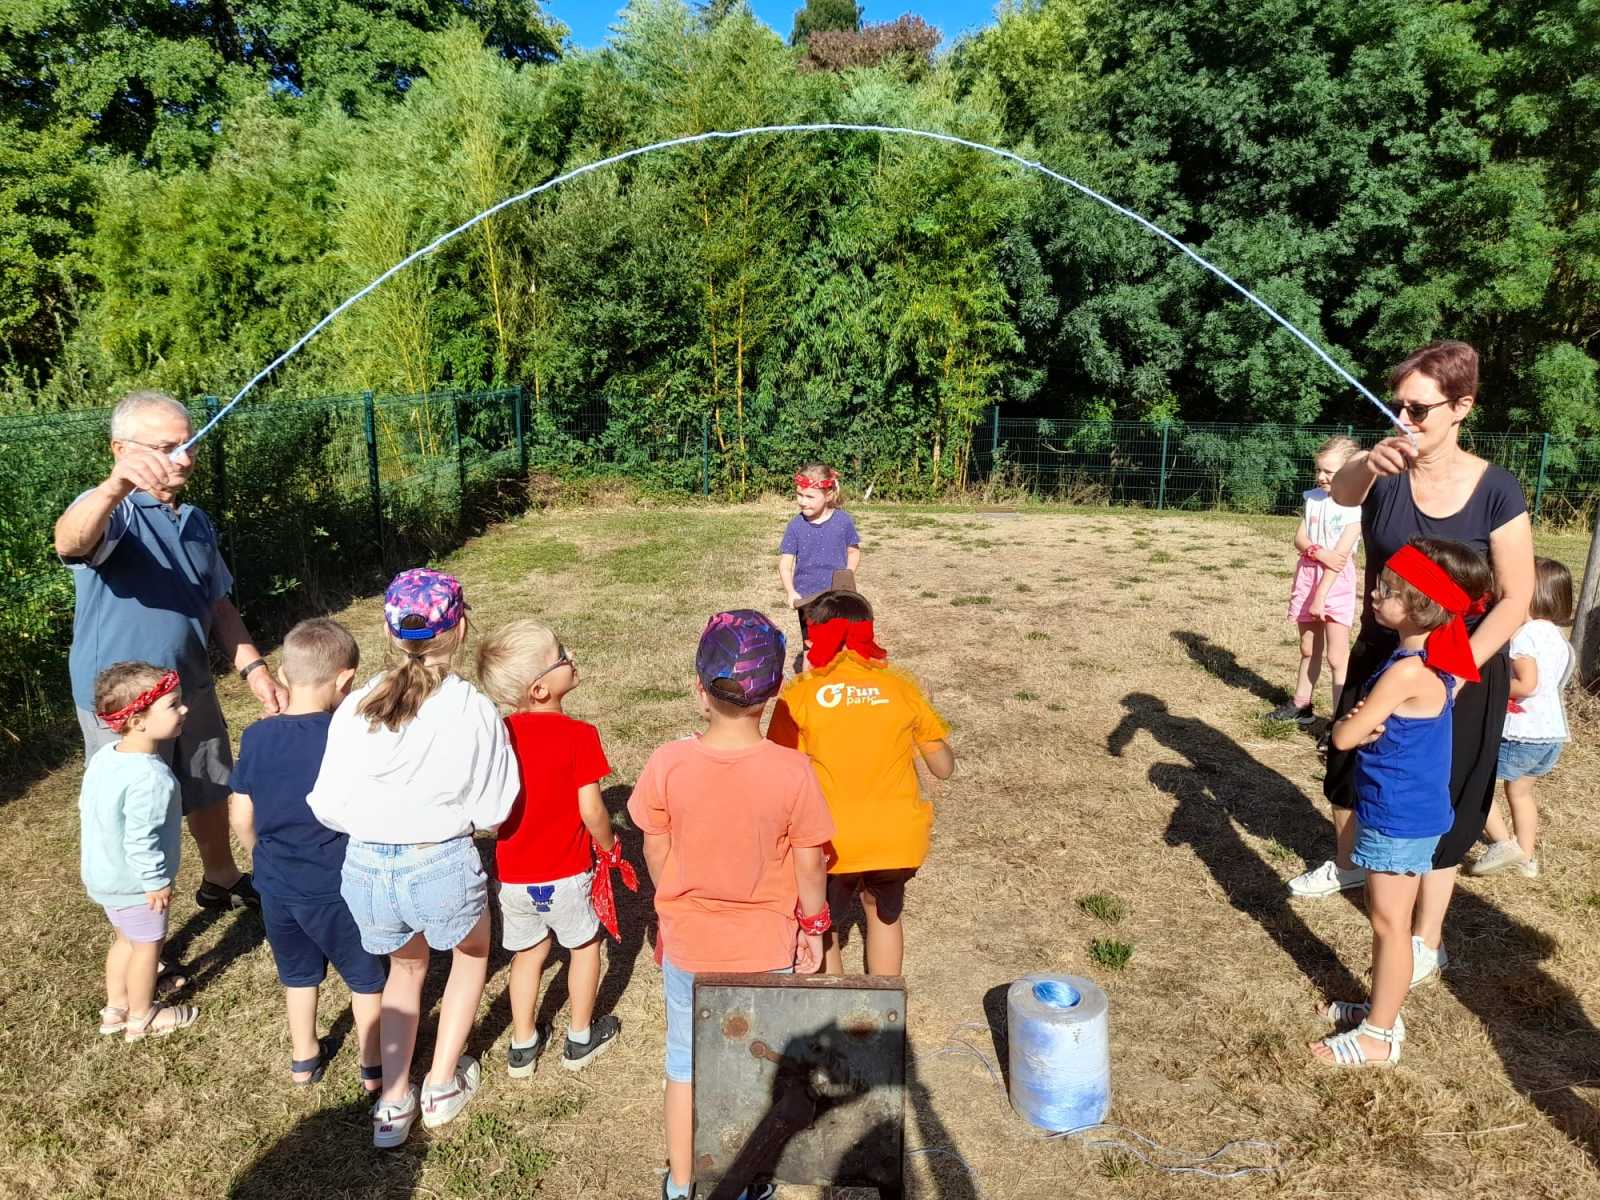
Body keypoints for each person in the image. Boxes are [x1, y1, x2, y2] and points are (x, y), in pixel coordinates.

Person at [1288, 341, 1535, 992]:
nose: (1404, 419)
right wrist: (1367, 461)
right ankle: (1352, 865)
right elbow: (1343, 494)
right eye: (1397, 405)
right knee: (1351, 770)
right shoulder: (1386, 471)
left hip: (1462, 668)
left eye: (1419, 409)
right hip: (1384, 653)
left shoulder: (1496, 489)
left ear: (1461, 407)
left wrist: (1451, 675)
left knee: (1444, 797)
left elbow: (1516, 598)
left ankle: (1428, 939)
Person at [307, 569, 519, 1148]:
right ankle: (442, 1084)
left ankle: (393, 1101)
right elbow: (494, 809)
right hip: (439, 860)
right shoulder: (473, 708)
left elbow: (328, 804)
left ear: (388, 631)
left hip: (366, 868)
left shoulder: (356, 705)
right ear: (461, 628)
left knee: (405, 970)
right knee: (472, 955)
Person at [54, 389, 286, 914]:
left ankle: (221, 878)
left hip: (188, 685)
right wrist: (115, 486)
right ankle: (137, 925)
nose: (183, 458)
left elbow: (219, 606)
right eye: (165, 448)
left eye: (189, 444)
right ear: (121, 450)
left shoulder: (196, 520)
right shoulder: (114, 511)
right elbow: (70, 542)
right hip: (124, 703)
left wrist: (254, 669)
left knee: (208, 782)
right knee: (136, 804)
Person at [628, 611, 834, 1200]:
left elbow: (655, 845)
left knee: (684, 1064)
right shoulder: (794, 772)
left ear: (700, 689)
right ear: (774, 692)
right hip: (765, 950)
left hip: (689, 946)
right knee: (749, 1068)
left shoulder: (667, 763)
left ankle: (681, 1184)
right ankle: (737, 1184)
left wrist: (671, 906)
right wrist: (814, 926)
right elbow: (810, 862)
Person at [1311, 539, 1490, 1067]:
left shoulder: (1407, 671)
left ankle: (1379, 1037)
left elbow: (1343, 737)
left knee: (1391, 927)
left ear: (1422, 607)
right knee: (1387, 921)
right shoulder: (1431, 659)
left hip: (1399, 816)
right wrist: (1370, 719)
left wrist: (1355, 723)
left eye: (1388, 590)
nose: (1374, 593)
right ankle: (1379, 1007)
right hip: (1405, 810)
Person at [227, 618, 385, 1089]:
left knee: (297, 974)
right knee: (366, 977)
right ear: (345, 679)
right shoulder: (346, 737)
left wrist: (260, 856)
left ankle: (304, 1056)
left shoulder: (256, 737)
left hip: (277, 886)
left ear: (282, 673)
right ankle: (373, 1065)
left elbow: (241, 814)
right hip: (337, 885)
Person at [768, 588, 955, 975]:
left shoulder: (799, 696)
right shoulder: (902, 687)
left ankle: (835, 1004)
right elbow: (943, 768)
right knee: (883, 914)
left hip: (830, 840)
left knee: (824, 924)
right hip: (897, 837)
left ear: (814, 639)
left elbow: (777, 768)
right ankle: (884, 1006)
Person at [475, 619, 622, 1077]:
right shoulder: (579, 735)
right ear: (540, 689)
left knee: (528, 954)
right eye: (561, 655)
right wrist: (610, 845)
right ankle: (580, 1037)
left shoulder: (499, 736)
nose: (570, 656)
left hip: (514, 879)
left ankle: (522, 1044)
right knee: (584, 946)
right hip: (568, 873)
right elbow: (592, 810)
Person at [80, 661, 201, 1042]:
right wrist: (155, 881)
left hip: (106, 876)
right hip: (137, 886)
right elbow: (140, 839)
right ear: (137, 721)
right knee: (148, 950)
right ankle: (142, 1015)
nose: (184, 709)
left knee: (125, 942)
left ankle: (115, 1009)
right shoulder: (150, 777)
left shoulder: (106, 756)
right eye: (172, 705)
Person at [1468, 557, 1577, 880]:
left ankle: (1503, 843)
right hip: (1550, 733)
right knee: (1521, 793)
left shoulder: (1525, 636)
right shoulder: (1558, 637)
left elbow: (1527, 685)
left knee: (1476, 784)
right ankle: (1527, 859)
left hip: (1521, 732)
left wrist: (1489, 686)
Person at [1267, 436, 1363, 732]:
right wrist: (1317, 552)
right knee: (1308, 648)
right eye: (1319, 470)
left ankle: (1339, 720)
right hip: (1308, 575)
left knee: (1337, 656)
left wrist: (1321, 596)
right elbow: (1300, 538)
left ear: (1348, 472)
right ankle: (1302, 704)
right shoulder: (1313, 499)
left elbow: (1339, 559)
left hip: (1334, 584)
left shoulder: (1355, 507)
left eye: (1329, 472)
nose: (1321, 476)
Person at [778, 462, 861, 667]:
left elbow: (853, 552)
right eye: (799, 495)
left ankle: (837, 683)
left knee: (840, 647)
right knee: (811, 649)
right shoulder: (795, 526)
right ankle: (811, 684)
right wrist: (791, 592)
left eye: (809, 496)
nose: (802, 501)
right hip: (808, 600)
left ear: (829, 495)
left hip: (838, 597)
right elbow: (785, 564)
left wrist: (847, 576)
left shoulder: (844, 522)